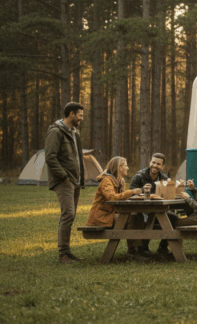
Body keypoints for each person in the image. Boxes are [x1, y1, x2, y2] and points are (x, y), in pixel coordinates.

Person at [45, 102, 86, 263]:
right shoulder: (56, 131)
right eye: (80, 115)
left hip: (74, 180)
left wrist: (79, 178)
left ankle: (67, 252)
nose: (81, 119)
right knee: (68, 214)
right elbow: (50, 157)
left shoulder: (75, 132)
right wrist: (64, 177)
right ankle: (63, 254)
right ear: (71, 114)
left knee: (71, 214)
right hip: (64, 180)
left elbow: (77, 157)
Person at [86, 157, 150, 257]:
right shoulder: (107, 181)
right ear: (118, 167)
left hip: (111, 214)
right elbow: (112, 197)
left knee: (137, 215)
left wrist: (137, 193)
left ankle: (139, 248)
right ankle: (133, 250)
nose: (127, 168)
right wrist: (132, 192)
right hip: (102, 217)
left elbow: (122, 196)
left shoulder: (119, 181)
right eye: (125, 165)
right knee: (131, 218)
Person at [157, 163, 197, 256]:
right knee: (177, 220)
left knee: (176, 223)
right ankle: (165, 248)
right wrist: (193, 189)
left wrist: (187, 197)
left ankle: (172, 250)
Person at [128, 153, 169, 253]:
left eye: (158, 164)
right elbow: (129, 195)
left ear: (163, 166)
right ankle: (140, 248)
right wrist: (142, 190)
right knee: (140, 217)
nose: (155, 166)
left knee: (174, 218)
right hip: (140, 210)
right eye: (153, 162)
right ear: (149, 162)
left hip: (157, 210)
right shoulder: (139, 176)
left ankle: (163, 247)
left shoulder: (164, 179)